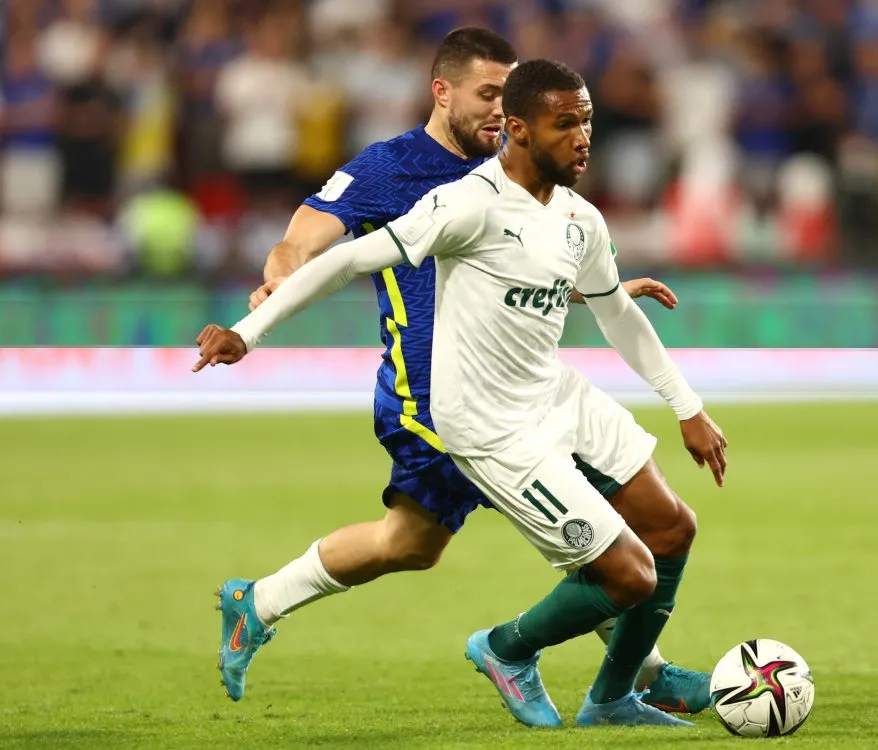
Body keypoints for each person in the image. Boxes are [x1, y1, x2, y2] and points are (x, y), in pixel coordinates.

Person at [194, 58, 728, 728]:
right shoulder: (447, 192)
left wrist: (685, 403)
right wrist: (250, 328)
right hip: (464, 411)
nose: (584, 137)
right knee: (617, 566)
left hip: (548, 391)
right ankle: (529, 653)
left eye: (587, 122)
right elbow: (334, 253)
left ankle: (619, 691)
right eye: (567, 124)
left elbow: (601, 305)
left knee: (657, 529)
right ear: (515, 127)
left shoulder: (577, 216)